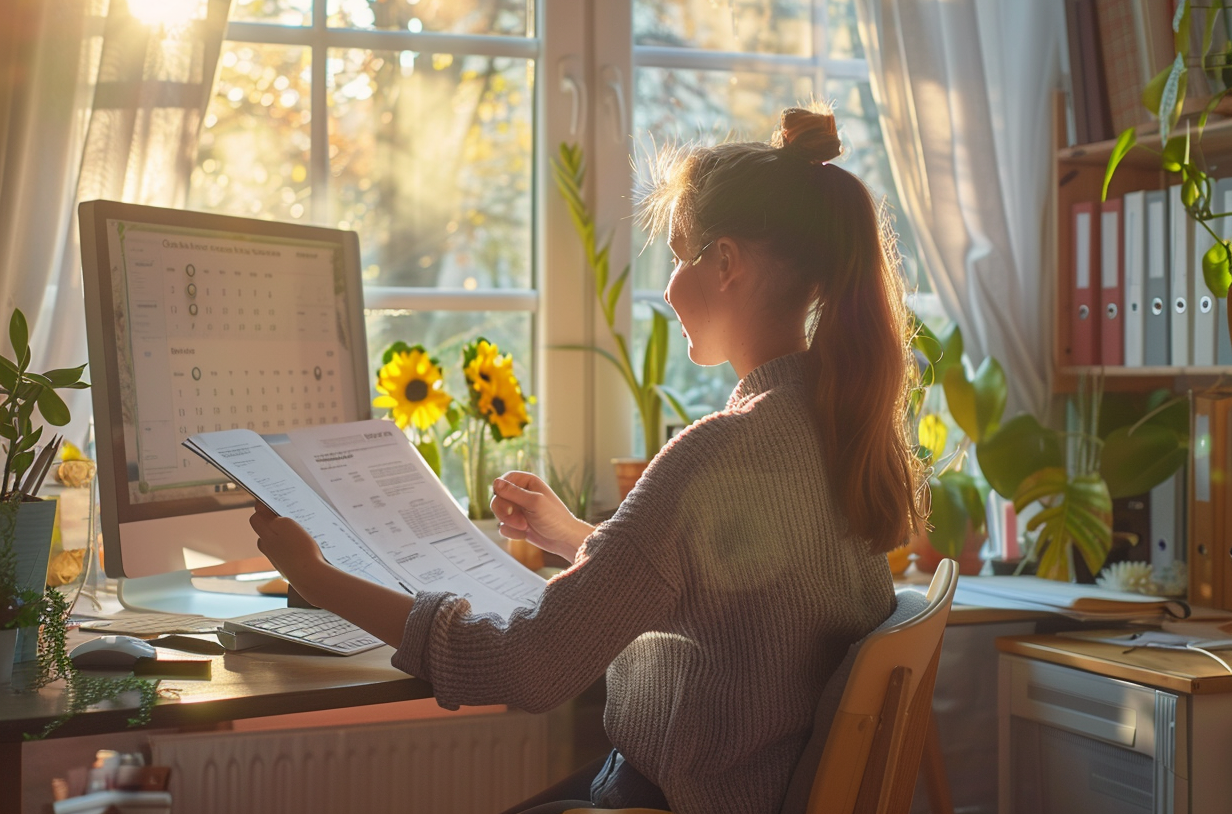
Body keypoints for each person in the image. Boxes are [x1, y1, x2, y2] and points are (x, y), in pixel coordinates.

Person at [250, 103, 928, 814]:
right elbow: (742, 597)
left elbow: (526, 667)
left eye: (677, 255)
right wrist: (576, 537)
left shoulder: (719, 453)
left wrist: (316, 578)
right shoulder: (834, 429)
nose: (667, 288)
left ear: (725, 263)